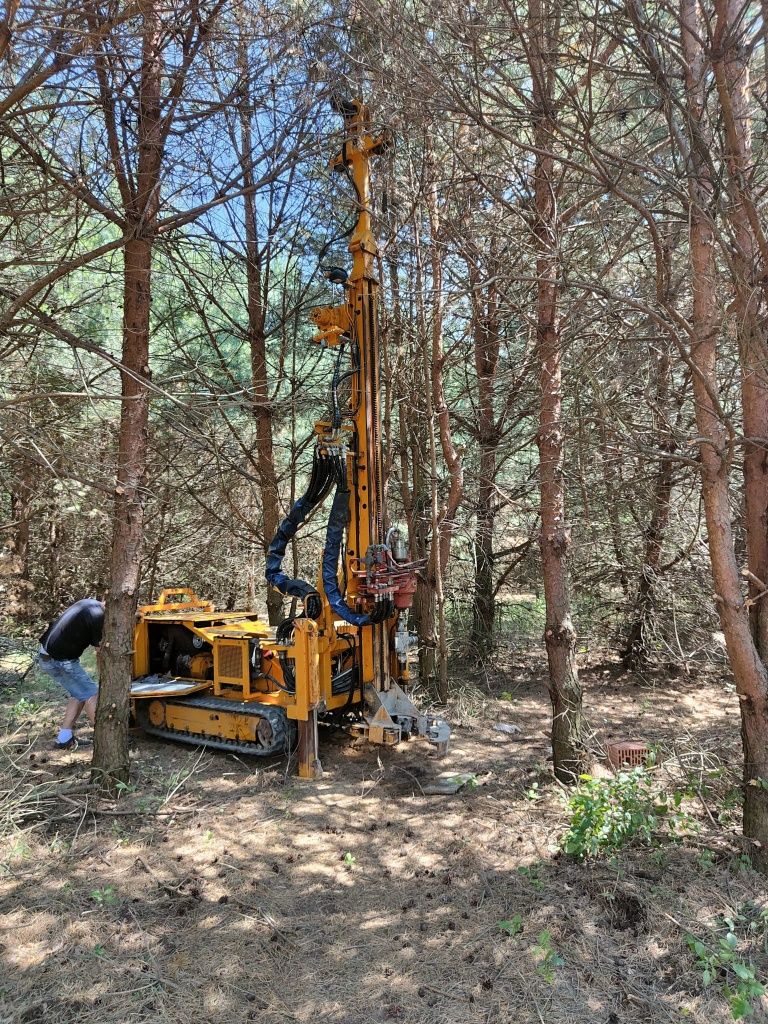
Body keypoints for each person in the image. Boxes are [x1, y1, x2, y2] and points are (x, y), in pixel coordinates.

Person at [37, 598, 105, 750]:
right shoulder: (98, 614)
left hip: (47, 655)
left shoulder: (89, 603)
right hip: (58, 660)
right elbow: (100, 651)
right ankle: (107, 742)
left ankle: (64, 739)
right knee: (91, 694)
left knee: (78, 693)